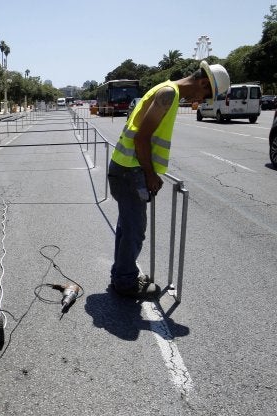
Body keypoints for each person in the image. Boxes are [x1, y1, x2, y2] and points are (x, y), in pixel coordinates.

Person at [108, 61, 230, 299]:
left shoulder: (165, 89)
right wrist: (151, 175)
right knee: (134, 231)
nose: (204, 100)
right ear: (203, 82)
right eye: (207, 94)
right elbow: (141, 139)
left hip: (124, 168)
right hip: (131, 172)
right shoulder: (168, 94)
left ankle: (123, 274)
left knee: (126, 228)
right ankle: (125, 281)